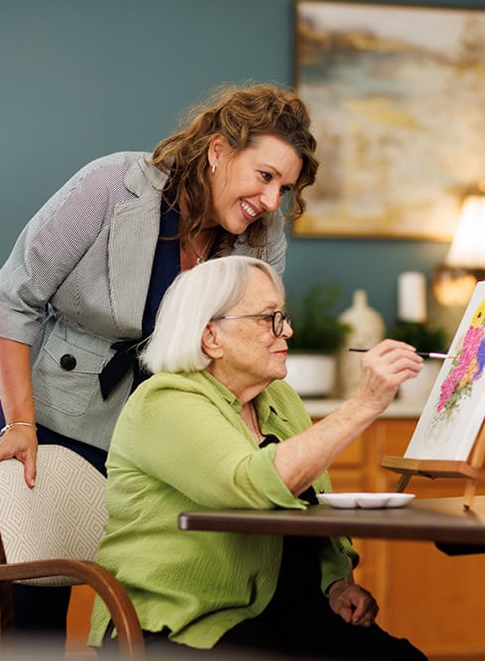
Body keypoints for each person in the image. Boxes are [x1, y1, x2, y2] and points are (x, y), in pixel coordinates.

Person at [0, 83, 318, 638]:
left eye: (286, 187)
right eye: (265, 176)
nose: (273, 201)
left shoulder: (261, 233)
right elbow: (13, 300)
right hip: (48, 416)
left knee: (156, 588)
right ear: (218, 150)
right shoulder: (110, 185)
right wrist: (18, 424)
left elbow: (245, 344)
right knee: (34, 618)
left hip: (166, 433)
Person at [89, 256, 428, 659]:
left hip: (290, 614)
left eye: (282, 316)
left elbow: (312, 503)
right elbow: (251, 485)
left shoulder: (279, 399)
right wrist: (364, 404)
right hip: (186, 621)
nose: (288, 330)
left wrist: (336, 584)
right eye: (269, 318)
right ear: (211, 336)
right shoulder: (164, 401)